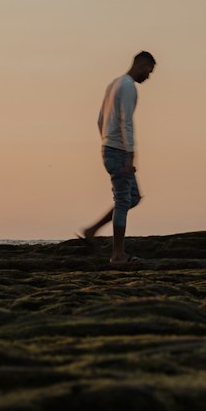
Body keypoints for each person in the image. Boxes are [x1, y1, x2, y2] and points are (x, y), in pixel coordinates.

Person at [80, 51, 157, 264]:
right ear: (142, 65)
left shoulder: (114, 84)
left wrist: (106, 142)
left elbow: (99, 119)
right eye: (149, 71)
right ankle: (117, 255)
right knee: (123, 200)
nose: (148, 77)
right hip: (119, 151)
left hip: (110, 147)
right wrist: (129, 155)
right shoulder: (127, 86)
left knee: (133, 197)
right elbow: (126, 122)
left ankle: (92, 229)